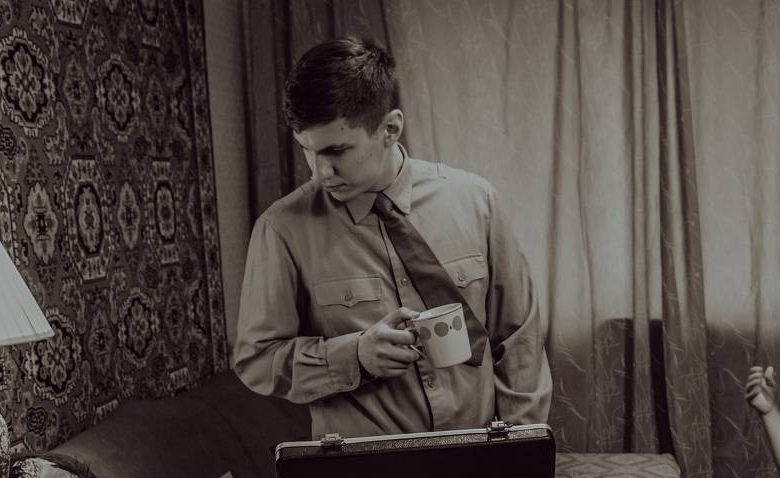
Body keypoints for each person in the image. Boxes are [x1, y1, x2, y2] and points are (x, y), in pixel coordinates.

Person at [234, 37, 552, 439]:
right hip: (363, 468)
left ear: (390, 128)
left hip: (480, 455)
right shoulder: (281, 229)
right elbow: (257, 360)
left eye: (337, 150)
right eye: (307, 150)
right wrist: (354, 356)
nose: (319, 172)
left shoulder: (477, 202)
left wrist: (518, 448)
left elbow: (520, 339)